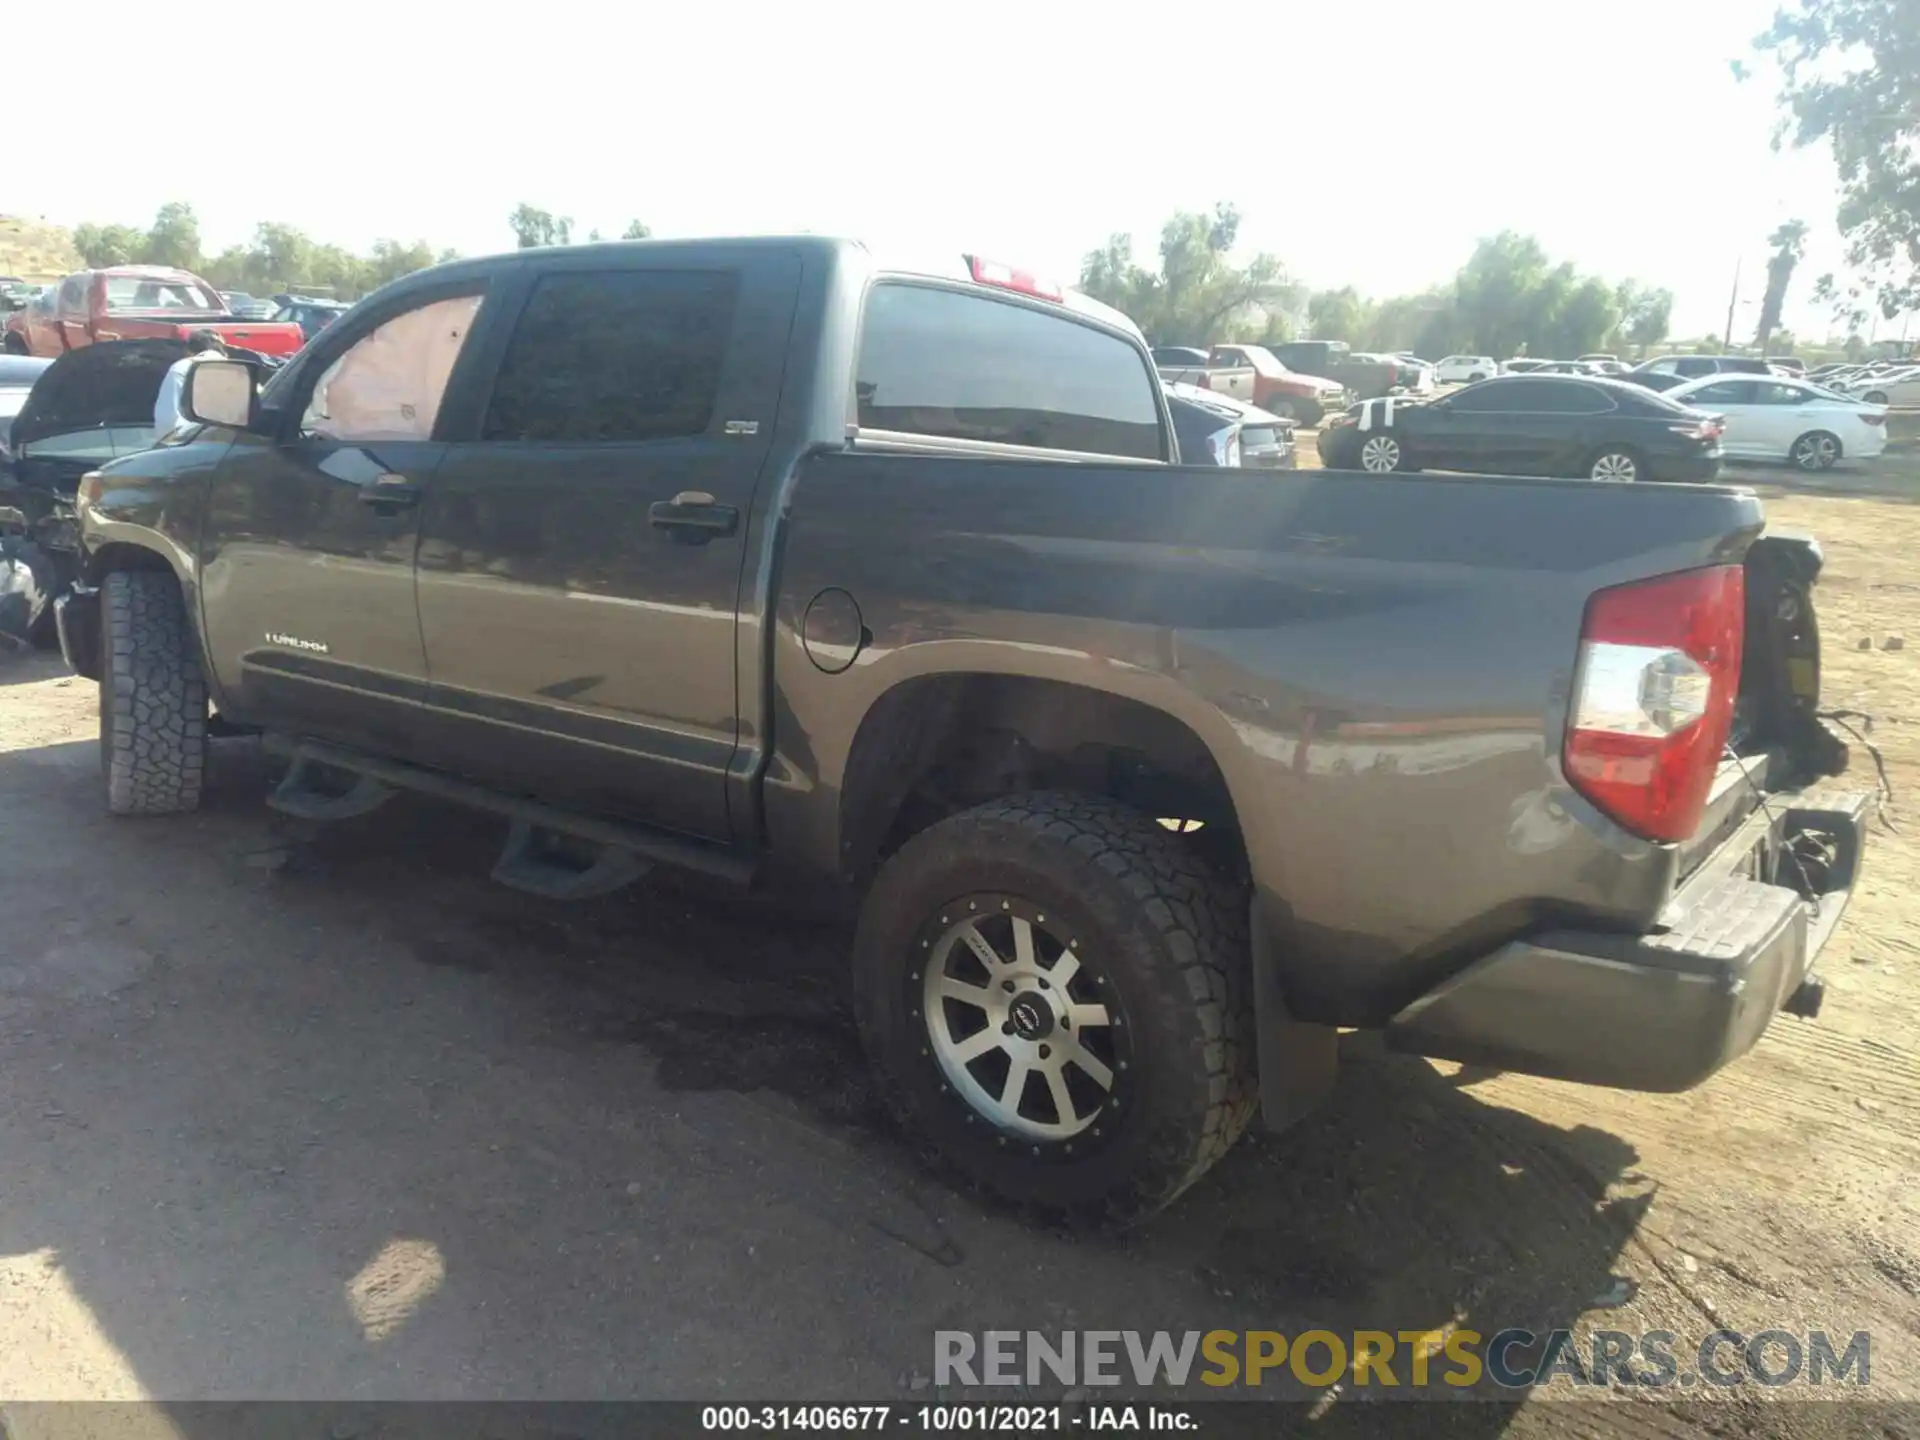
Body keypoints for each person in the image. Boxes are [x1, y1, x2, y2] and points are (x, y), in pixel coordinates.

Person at [153, 330, 227, 436]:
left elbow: (167, 416)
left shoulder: (182, 367)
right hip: (229, 441)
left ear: (189, 351)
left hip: (188, 440)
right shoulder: (239, 370)